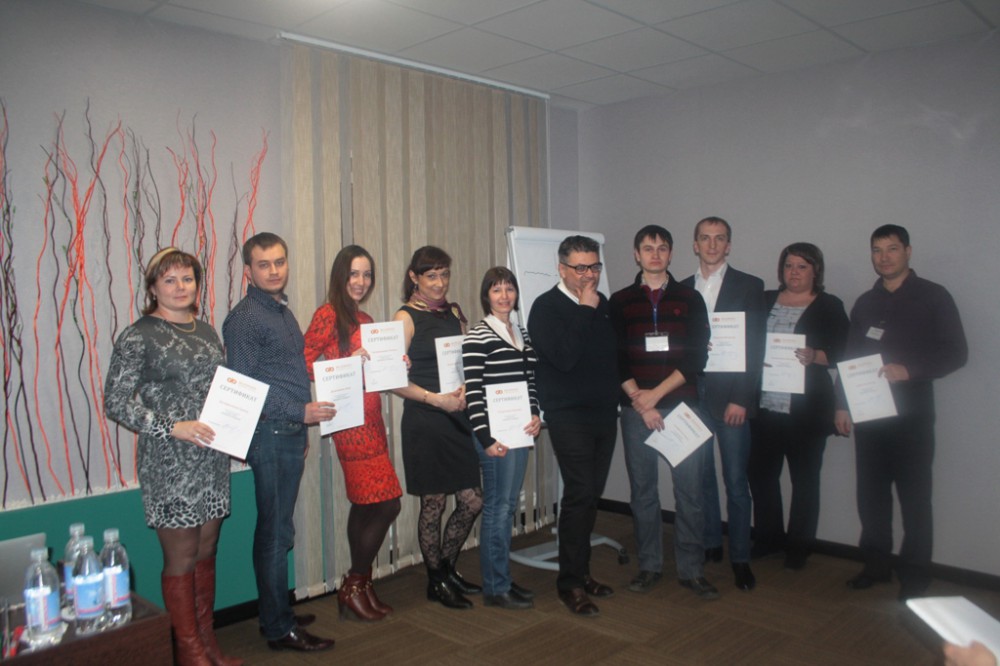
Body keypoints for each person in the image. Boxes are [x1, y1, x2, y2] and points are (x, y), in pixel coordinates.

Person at [104, 247, 242, 666]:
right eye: (169, 280)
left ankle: (207, 641)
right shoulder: (138, 335)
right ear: (153, 288)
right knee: (181, 555)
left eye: (187, 278)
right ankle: (189, 649)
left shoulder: (206, 331)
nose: (180, 287)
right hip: (169, 461)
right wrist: (172, 426)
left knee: (207, 548)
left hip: (211, 456)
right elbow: (115, 402)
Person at [836, 224, 967, 601]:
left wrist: (909, 370)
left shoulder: (933, 296)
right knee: (871, 497)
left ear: (908, 251)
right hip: (869, 414)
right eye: (877, 250)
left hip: (913, 415)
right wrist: (842, 404)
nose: (884, 257)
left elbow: (956, 352)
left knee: (915, 499)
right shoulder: (866, 302)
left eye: (892, 249)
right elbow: (849, 357)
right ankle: (876, 566)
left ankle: (915, 576)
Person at [222, 232, 336, 652]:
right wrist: (298, 414)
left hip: (287, 432)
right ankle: (277, 628)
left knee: (280, 529)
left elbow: (287, 374)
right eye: (264, 264)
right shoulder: (245, 319)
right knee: (275, 534)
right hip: (269, 433)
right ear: (248, 271)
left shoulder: (282, 312)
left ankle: (275, 612)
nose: (274, 271)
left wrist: (300, 426)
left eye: (279, 262)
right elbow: (244, 386)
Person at [610, 226, 718, 600]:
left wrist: (654, 396)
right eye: (647, 248)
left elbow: (697, 357)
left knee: (690, 494)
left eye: (661, 248)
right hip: (635, 409)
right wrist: (640, 401)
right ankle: (649, 566)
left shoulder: (690, 298)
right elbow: (616, 358)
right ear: (636, 255)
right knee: (643, 493)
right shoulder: (620, 301)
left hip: (682, 408)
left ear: (671, 254)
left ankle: (692, 570)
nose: (655, 254)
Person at [303, 245, 402, 622]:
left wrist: (396, 363)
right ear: (340, 276)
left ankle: (360, 586)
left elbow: (374, 370)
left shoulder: (365, 318)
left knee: (366, 503)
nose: (361, 282)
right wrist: (347, 362)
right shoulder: (328, 314)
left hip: (372, 419)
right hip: (350, 423)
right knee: (388, 503)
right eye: (354, 274)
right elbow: (304, 362)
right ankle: (354, 583)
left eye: (367, 275)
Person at [528, 235, 619, 617]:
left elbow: (610, 357)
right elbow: (564, 358)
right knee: (579, 493)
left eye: (594, 267)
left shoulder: (603, 304)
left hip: (603, 412)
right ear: (561, 269)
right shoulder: (545, 308)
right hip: (568, 415)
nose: (589, 275)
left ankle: (582, 572)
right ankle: (570, 585)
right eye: (580, 268)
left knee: (591, 495)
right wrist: (584, 309)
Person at [392, 246, 483, 610]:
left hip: (455, 416)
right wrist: (436, 399)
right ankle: (435, 580)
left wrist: (464, 389)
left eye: (444, 274)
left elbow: (462, 363)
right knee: (434, 502)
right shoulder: (405, 317)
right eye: (431, 276)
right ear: (414, 277)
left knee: (472, 500)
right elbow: (393, 381)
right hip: (425, 418)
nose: (440, 283)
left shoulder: (453, 313)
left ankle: (446, 567)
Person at [748, 243, 848, 570]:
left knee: (805, 482)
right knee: (761, 477)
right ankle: (768, 539)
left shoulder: (829, 305)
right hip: (764, 409)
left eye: (802, 266)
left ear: (815, 271)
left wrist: (816, 356)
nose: (794, 272)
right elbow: (746, 340)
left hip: (807, 412)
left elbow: (844, 350)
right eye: (789, 265)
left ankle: (798, 547)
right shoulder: (764, 300)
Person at [681, 216, 765, 591]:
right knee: (701, 477)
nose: (712, 245)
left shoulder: (750, 286)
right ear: (695, 245)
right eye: (705, 238)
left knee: (735, 481)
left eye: (719, 239)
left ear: (728, 245)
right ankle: (711, 541)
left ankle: (741, 559)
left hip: (732, 397)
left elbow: (756, 345)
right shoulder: (682, 289)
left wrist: (742, 398)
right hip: (693, 394)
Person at [462, 267, 542, 610]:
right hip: (495, 437)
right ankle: (496, 588)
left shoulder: (520, 332)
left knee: (508, 507)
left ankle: (502, 578)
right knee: (497, 509)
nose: (504, 296)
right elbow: (473, 393)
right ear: (487, 296)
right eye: (497, 290)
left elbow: (529, 381)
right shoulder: (477, 336)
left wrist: (535, 414)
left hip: (520, 432)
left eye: (509, 289)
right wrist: (486, 438)